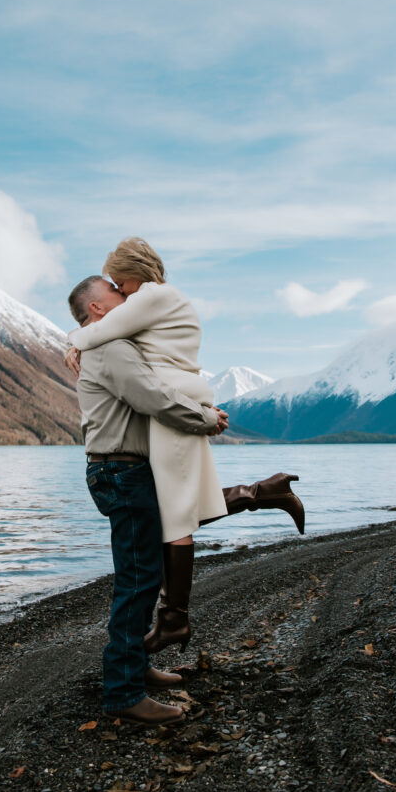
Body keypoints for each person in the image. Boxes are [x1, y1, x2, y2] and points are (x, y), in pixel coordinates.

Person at [66, 239, 304, 655]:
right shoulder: (145, 309)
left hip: (170, 405)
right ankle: (265, 492)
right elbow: (109, 338)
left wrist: (74, 340)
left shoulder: (151, 298)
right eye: (114, 290)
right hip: (172, 405)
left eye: (120, 284)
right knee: (171, 511)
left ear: (132, 273)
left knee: (173, 515)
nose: (121, 293)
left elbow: (132, 371)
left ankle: (173, 620)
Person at [68, 274, 229, 726]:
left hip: (120, 469)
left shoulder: (106, 342)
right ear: (97, 308)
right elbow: (155, 398)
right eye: (116, 292)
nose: (127, 296)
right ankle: (122, 692)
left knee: (144, 573)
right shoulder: (111, 348)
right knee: (137, 581)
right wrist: (206, 419)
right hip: (122, 470)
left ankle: (134, 670)